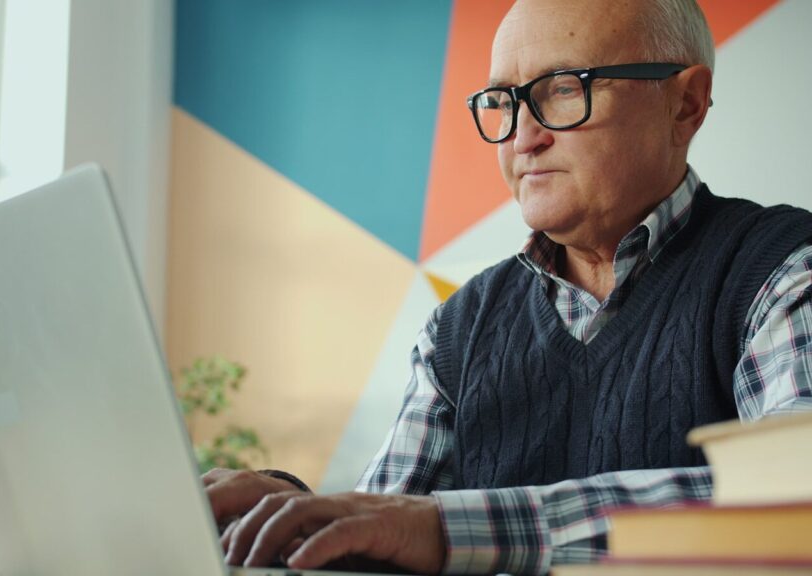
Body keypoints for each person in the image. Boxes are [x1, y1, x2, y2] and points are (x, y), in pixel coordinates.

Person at [203, 0, 812, 574]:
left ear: (685, 105)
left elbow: (792, 499)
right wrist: (288, 516)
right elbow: (390, 526)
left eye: (565, 88)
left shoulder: (781, 266)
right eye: (504, 101)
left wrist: (451, 530)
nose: (523, 137)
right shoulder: (459, 327)